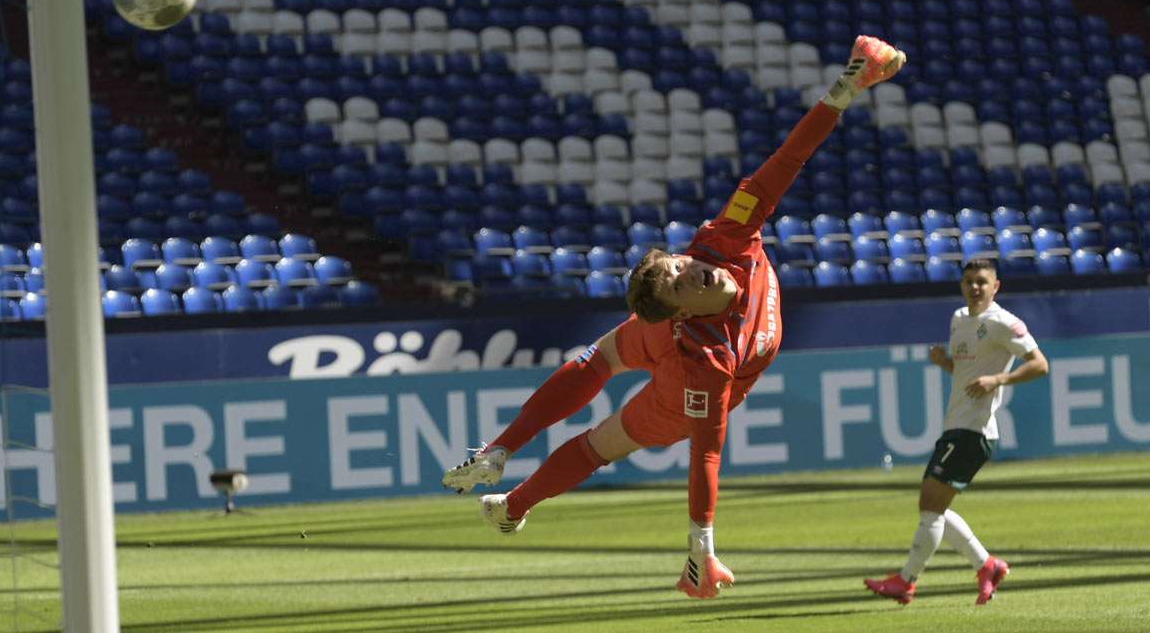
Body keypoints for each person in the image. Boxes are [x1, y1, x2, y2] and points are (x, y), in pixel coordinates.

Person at [443, 35, 907, 599]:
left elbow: (789, 158)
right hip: (681, 376)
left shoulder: (723, 236)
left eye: (683, 264)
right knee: (600, 442)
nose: (696, 271)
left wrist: (845, 89)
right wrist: (702, 550)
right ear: (679, 309)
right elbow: (706, 451)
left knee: (599, 362)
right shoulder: (707, 363)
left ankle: (505, 474)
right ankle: (506, 480)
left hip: (674, 355)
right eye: (682, 282)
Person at [864, 258, 1048, 605]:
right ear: (961, 285)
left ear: (996, 287)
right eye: (968, 281)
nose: (974, 287)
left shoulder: (1003, 322)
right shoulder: (959, 319)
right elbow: (966, 377)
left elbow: (1040, 363)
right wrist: (945, 363)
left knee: (930, 505)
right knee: (935, 507)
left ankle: (906, 581)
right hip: (956, 426)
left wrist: (998, 379)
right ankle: (987, 565)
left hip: (974, 431)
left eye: (982, 281)